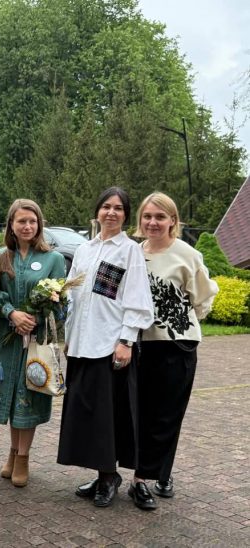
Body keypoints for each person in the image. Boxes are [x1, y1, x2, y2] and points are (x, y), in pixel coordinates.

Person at [57, 186, 154, 508]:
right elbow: (73, 296)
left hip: (109, 345)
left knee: (107, 417)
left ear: (126, 215)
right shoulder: (84, 249)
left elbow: (138, 300)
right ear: (97, 211)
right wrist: (69, 334)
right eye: (106, 207)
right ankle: (102, 475)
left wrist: (126, 340)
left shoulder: (130, 251)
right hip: (81, 344)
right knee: (86, 414)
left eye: (118, 208)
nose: (111, 212)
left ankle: (109, 476)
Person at [128, 192, 218, 510]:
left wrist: (179, 322)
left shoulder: (187, 254)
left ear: (172, 221)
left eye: (160, 217)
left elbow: (203, 298)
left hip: (176, 345)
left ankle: (143, 479)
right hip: (139, 345)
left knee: (167, 414)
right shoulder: (133, 253)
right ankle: (156, 472)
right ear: (140, 219)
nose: (153, 222)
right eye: (147, 216)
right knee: (142, 413)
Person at [0, 199, 66, 487]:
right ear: (11, 224)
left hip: (36, 340)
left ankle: (23, 457)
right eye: (21, 221)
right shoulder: (2, 256)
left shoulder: (53, 259)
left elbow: (61, 301)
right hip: (8, 339)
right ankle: (12, 452)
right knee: (11, 396)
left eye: (32, 221)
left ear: (39, 224)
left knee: (28, 394)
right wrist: (11, 312)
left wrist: (38, 314)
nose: (27, 226)